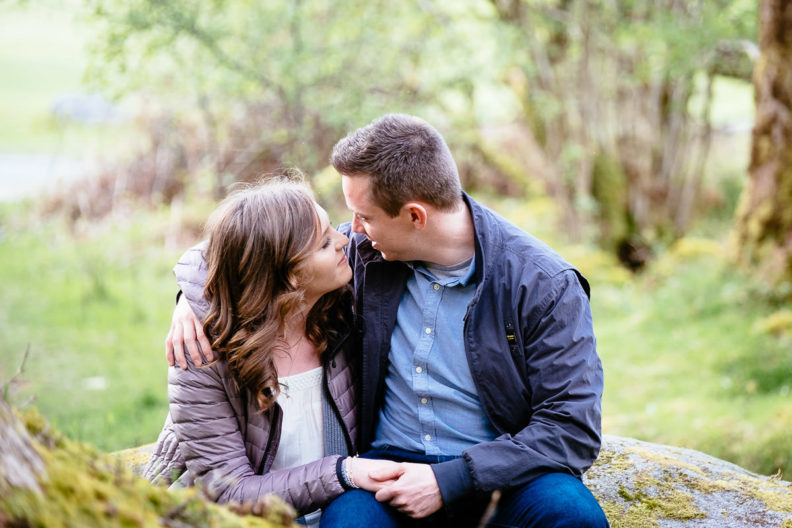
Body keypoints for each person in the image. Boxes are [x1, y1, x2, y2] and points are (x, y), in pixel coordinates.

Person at [167, 115, 608, 527]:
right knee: (349, 522)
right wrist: (193, 297)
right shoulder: (366, 255)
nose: (351, 231)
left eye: (365, 217)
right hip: (388, 471)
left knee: (573, 515)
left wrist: (448, 480)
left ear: (415, 216)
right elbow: (257, 249)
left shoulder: (543, 285)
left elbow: (571, 429)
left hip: (504, 472)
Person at [143, 179, 400, 525]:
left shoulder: (344, 310)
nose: (343, 241)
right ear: (290, 275)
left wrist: (190, 297)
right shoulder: (202, 357)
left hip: (344, 514)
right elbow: (229, 492)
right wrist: (343, 472)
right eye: (325, 242)